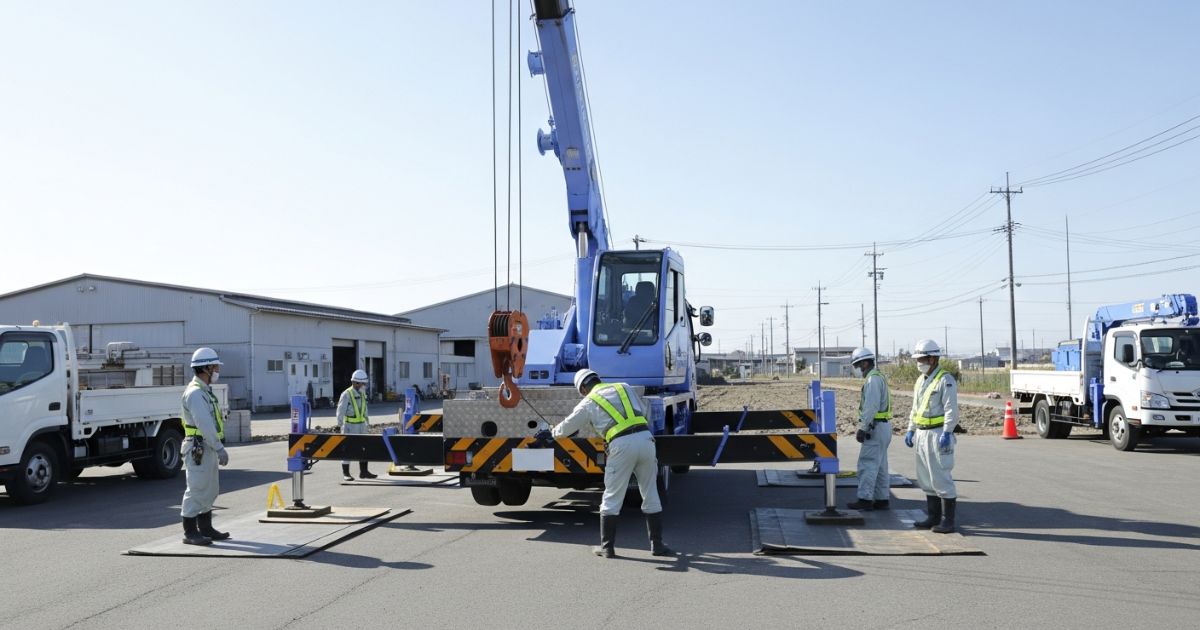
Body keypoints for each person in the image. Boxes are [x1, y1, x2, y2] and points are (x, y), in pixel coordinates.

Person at [541, 369, 674, 558]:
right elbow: (643, 411)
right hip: (646, 440)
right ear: (598, 379)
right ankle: (658, 545)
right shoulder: (624, 387)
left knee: (612, 497)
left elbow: (567, 427)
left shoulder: (588, 402)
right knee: (650, 493)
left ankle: (607, 548)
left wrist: (552, 433)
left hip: (621, 446)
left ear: (583, 388)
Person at [903, 339, 959, 534]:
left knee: (941, 477)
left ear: (933, 359)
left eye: (922, 359)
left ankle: (947, 521)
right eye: (918, 359)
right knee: (925, 478)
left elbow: (952, 410)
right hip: (921, 433)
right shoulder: (921, 380)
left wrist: (947, 432)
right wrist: (910, 429)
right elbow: (915, 408)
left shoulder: (946, 380)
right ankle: (933, 517)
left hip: (937, 434)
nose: (919, 363)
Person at [180, 347, 231, 546]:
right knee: (197, 488)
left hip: (205, 446)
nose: (218, 370)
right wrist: (219, 447)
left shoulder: (204, 391)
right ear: (207, 368)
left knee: (209, 488)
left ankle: (206, 527)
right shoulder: (195, 393)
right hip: (197, 447)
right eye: (216, 366)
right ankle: (190, 532)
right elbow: (205, 424)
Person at [846, 347, 892, 511]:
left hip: (875, 428)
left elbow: (871, 407)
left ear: (866, 362)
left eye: (859, 366)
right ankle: (882, 499)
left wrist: (863, 428)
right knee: (880, 466)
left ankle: (864, 499)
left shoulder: (872, 380)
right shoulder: (878, 377)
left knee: (868, 464)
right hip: (883, 427)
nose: (858, 369)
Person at [338, 369, 376, 481]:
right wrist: (340, 424)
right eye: (363, 383)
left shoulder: (362, 393)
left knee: (364, 448)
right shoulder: (347, 394)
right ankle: (346, 473)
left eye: (365, 383)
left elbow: (365, 409)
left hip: (361, 426)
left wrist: (367, 422)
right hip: (349, 426)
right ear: (355, 382)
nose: (365, 385)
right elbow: (340, 410)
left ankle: (364, 472)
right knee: (347, 449)